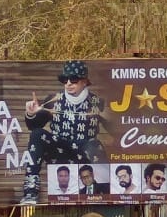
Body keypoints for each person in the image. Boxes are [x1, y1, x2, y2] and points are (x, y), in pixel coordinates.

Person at [21, 60, 108, 204]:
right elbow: (34, 126)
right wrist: (31, 113)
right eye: (64, 79)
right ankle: (31, 191)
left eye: (73, 79)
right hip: (59, 149)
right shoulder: (53, 100)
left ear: (84, 81)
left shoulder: (98, 102)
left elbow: (115, 127)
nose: (68, 83)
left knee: (95, 145)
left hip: (85, 150)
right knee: (37, 134)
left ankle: (101, 193)